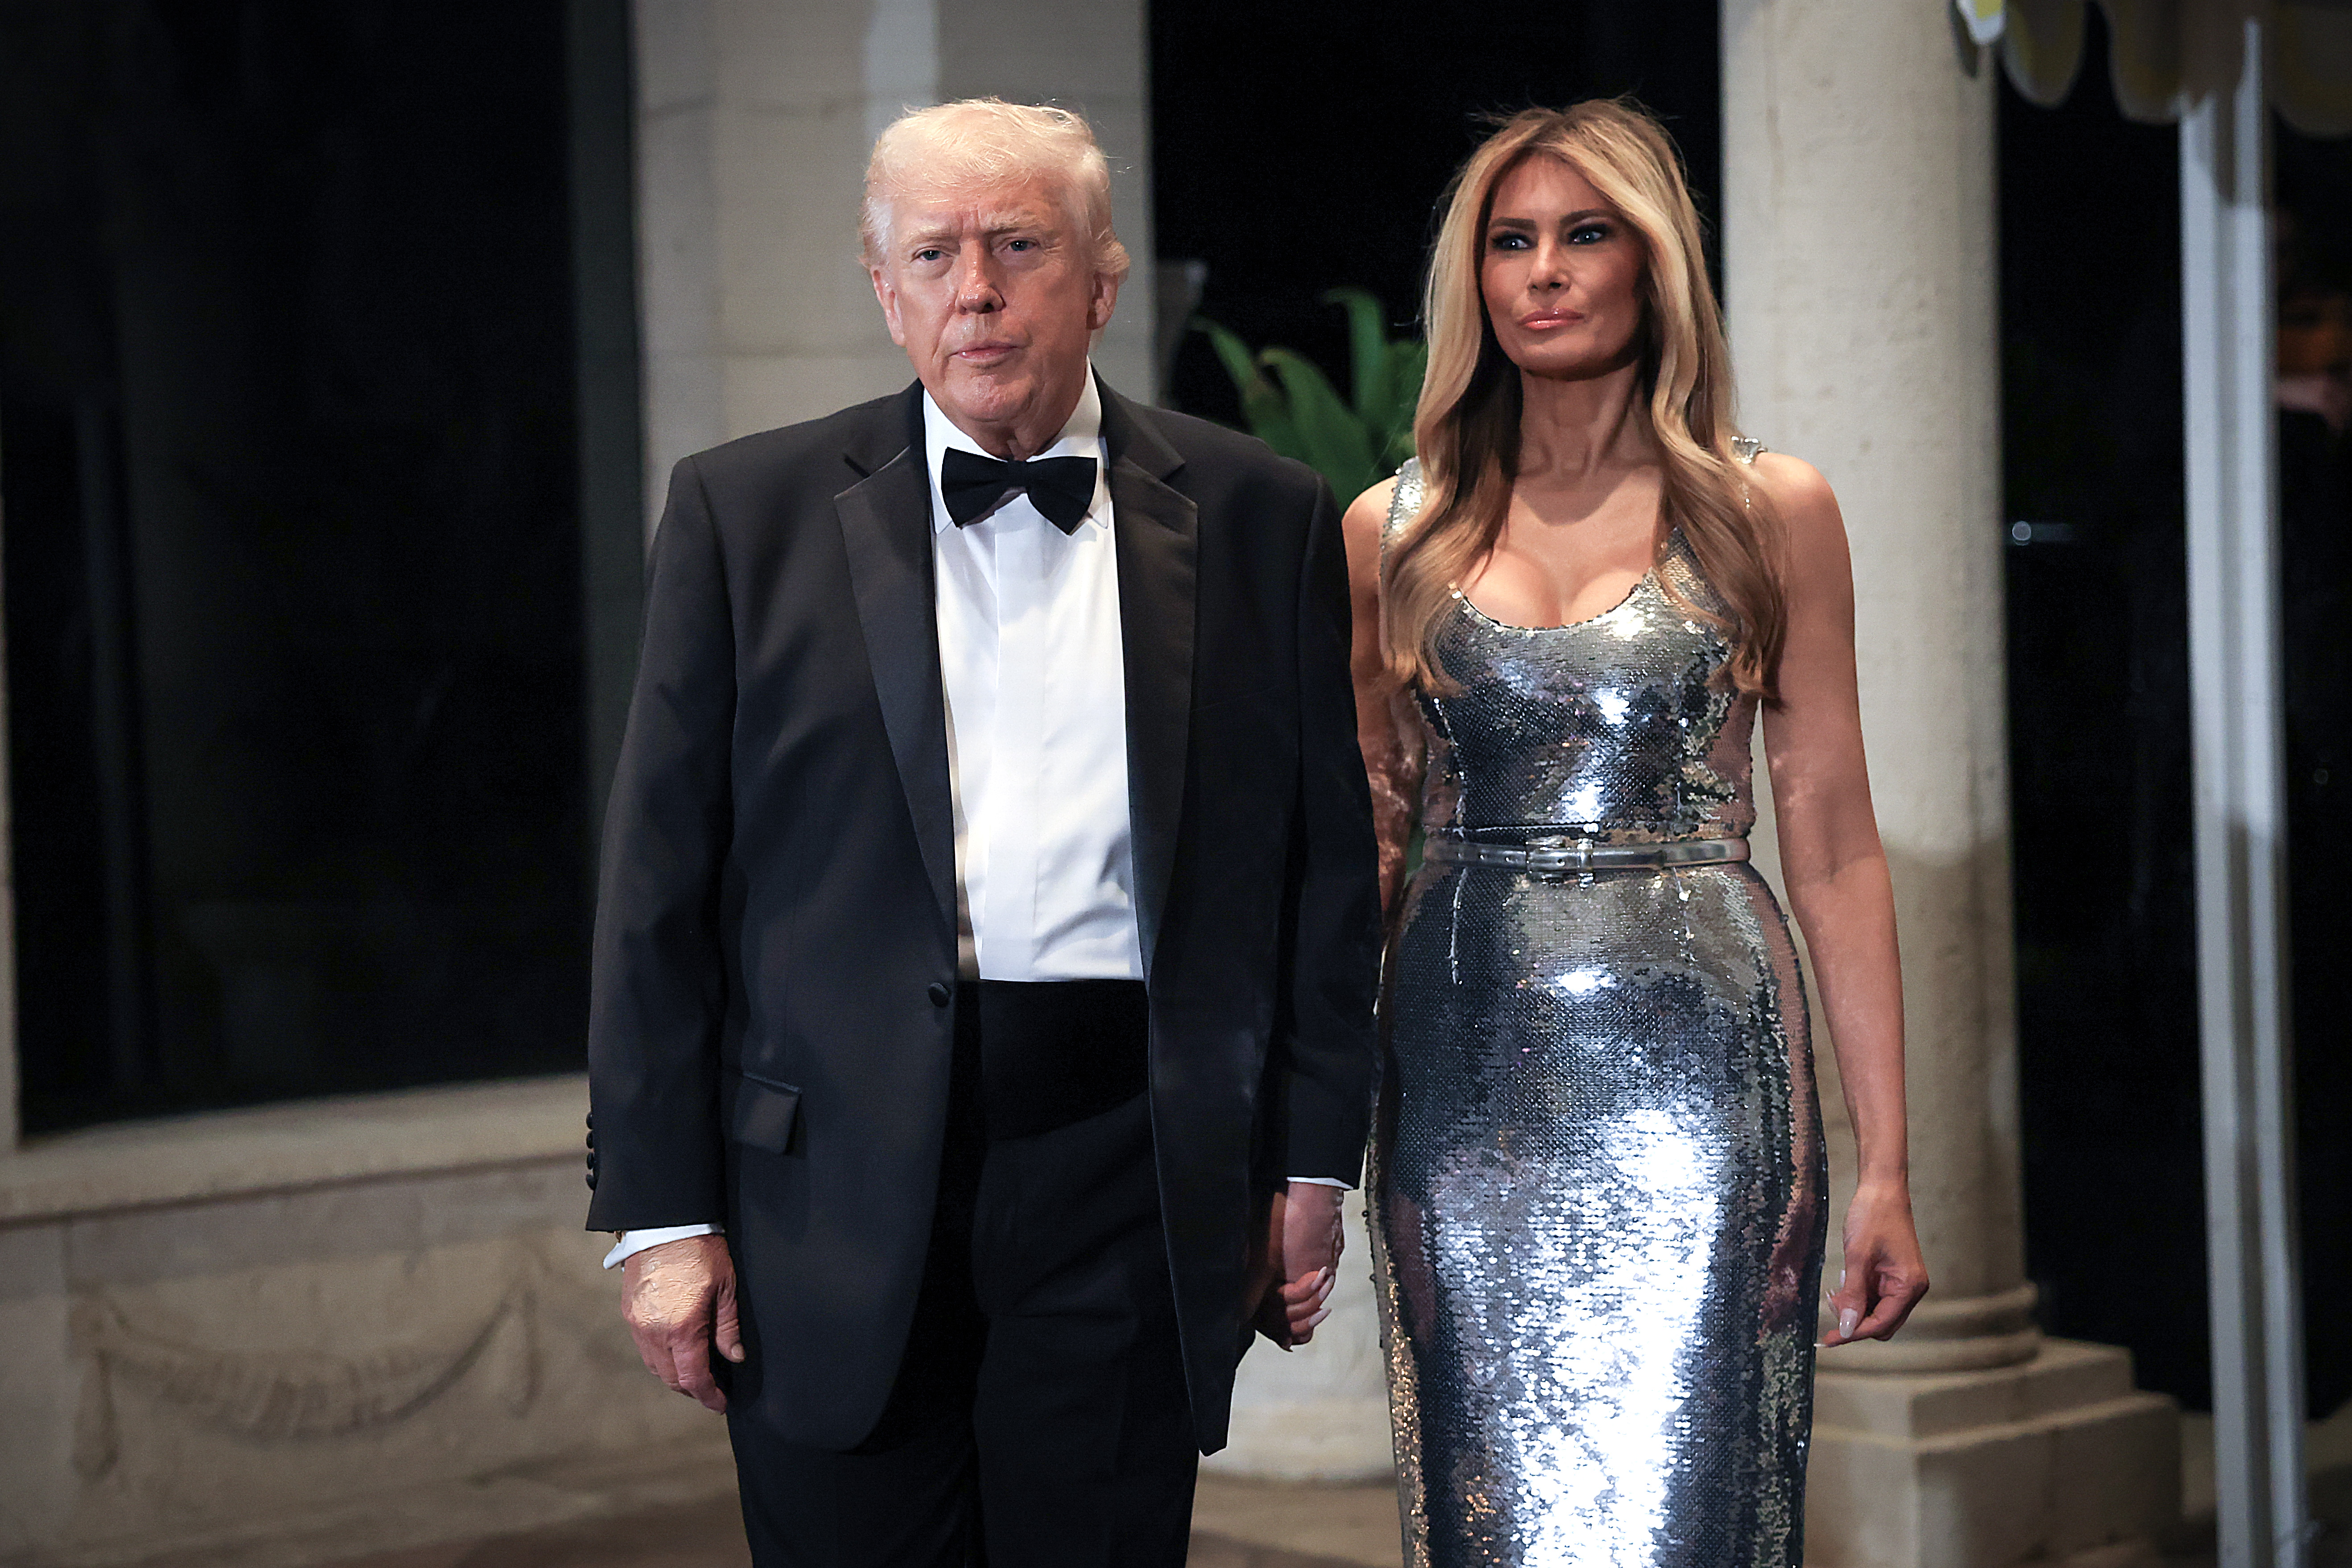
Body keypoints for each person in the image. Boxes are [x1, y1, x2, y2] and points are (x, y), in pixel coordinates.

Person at [584, 99, 1381, 1568]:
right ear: (885, 292)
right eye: (935, 254)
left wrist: (1311, 1166)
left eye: (1019, 245)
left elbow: (1320, 879)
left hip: (1127, 1171)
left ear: (1101, 278)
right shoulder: (740, 513)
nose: (978, 289)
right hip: (824, 1186)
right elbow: (656, 891)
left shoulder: (1261, 514)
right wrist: (656, 1217)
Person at [1343, 103, 1929, 1567]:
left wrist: (1883, 1165)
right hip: (1459, 1073)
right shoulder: (1388, 530)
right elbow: (1366, 836)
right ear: (1472, 282)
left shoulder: (1763, 508)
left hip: (1704, 1073)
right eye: (1511, 240)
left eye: (1584, 234)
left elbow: (1836, 841)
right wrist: (1293, 1152)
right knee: (1486, 1502)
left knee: (1697, 1505)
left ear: (1653, 263)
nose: (1544, 271)